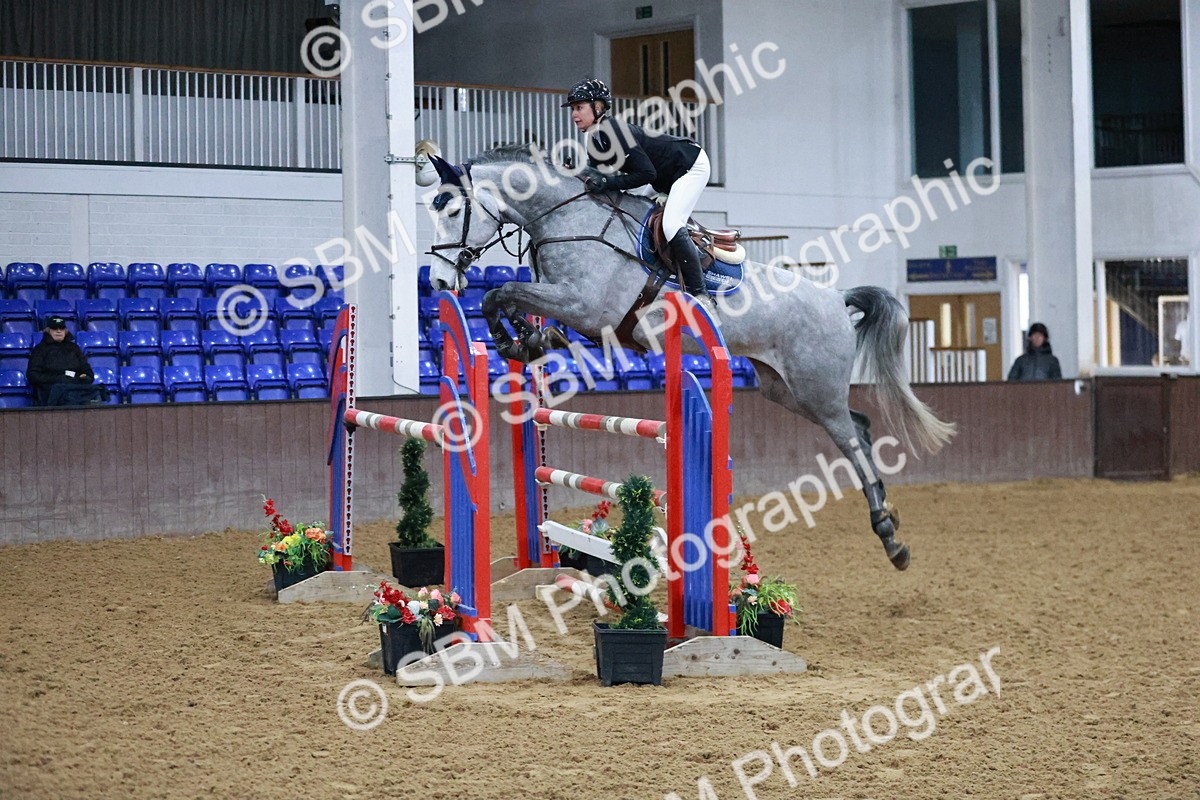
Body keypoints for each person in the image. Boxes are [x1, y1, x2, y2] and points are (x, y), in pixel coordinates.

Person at [563, 78, 716, 313]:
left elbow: (645, 173)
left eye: (579, 107)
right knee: (642, 213)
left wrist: (607, 182)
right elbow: (597, 177)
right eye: (573, 109)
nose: (574, 115)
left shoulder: (614, 130)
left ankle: (701, 294)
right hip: (662, 176)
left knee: (671, 224)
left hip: (689, 165)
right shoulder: (594, 136)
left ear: (598, 107)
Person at [27, 316, 98, 405]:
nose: (59, 331)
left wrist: (84, 378)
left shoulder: (74, 348)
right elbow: (32, 375)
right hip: (51, 392)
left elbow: (87, 371)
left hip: (75, 389)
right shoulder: (40, 349)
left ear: (65, 330)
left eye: (61, 328)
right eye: (55, 328)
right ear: (48, 331)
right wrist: (57, 379)